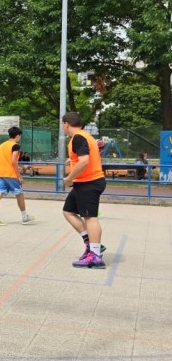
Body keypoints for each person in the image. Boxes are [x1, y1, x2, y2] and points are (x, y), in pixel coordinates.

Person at [61, 112, 107, 269]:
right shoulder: (84, 136)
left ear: (66, 124)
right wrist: (72, 159)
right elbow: (84, 155)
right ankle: (91, 243)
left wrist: (69, 178)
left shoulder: (78, 137)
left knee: (90, 217)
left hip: (89, 182)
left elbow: (84, 161)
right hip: (84, 183)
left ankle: (95, 257)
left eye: (62, 125)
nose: (63, 128)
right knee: (68, 211)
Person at [0, 126, 34, 227]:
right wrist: (19, 176)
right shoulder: (15, 146)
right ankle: (25, 217)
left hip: (0, 173)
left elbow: (4, 159)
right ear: (18, 135)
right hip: (10, 174)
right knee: (19, 194)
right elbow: (13, 161)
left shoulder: (2, 145)